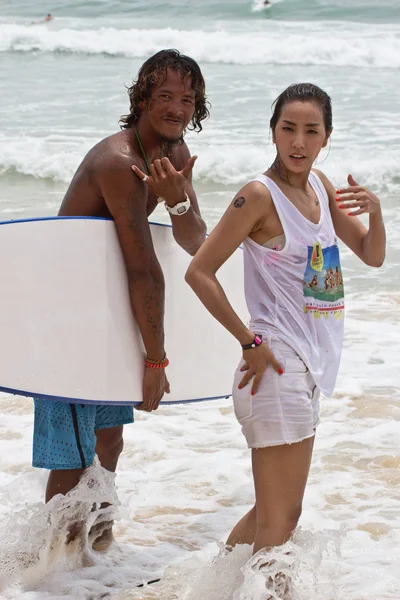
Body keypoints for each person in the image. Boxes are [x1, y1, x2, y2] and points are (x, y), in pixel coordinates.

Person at [186, 83, 385, 593]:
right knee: (282, 520)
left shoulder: (317, 184)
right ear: (272, 132)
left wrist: (377, 211)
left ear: (326, 138)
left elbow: (372, 254)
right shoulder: (258, 195)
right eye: (287, 129)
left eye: (310, 131)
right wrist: (248, 342)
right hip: (275, 365)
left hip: (309, 366)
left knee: (270, 512)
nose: (298, 141)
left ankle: (213, 588)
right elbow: (200, 272)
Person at [32, 49, 208, 550]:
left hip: (108, 312)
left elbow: (195, 239)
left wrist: (177, 197)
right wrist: (157, 357)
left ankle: (100, 558)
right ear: (143, 99)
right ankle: (50, 570)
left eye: (188, 99)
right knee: (72, 451)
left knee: (110, 440)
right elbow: (142, 265)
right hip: (66, 312)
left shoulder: (172, 157)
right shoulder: (119, 161)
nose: (177, 107)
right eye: (166, 96)